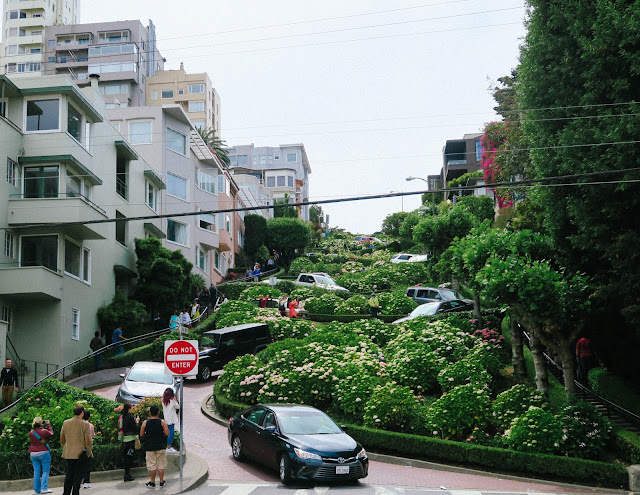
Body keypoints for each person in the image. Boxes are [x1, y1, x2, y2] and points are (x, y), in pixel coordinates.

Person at [60, 403, 92, 495]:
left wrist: (65, 446)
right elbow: (88, 440)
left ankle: (66, 493)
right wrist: (89, 451)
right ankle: (75, 493)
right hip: (80, 453)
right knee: (78, 477)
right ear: (82, 412)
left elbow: (62, 437)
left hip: (69, 453)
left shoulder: (66, 423)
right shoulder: (85, 424)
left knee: (69, 475)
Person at [140, 405, 169, 489]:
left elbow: (141, 434)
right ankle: (161, 481)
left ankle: (152, 482)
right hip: (160, 446)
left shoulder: (145, 422)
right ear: (158, 413)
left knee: (152, 465)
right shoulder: (162, 422)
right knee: (161, 464)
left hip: (149, 447)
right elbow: (167, 433)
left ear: (149, 413)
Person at [29, 416, 53, 494]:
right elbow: (51, 434)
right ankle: (44, 488)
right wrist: (48, 425)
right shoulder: (44, 431)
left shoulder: (31, 433)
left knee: (36, 471)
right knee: (45, 471)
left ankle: (37, 489)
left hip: (33, 453)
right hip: (43, 452)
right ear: (41, 423)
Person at [118, 402, 138, 482]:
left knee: (126, 457)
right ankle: (127, 474)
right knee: (129, 457)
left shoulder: (123, 417)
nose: (133, 409)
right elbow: (135, 428)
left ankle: (127, 474)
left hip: (124, 440)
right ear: (129, 409)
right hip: (130, 440)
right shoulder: (130, 418)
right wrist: (137, 422)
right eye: (132, 408)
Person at [161, 387, 179, 452]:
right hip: (171, 419)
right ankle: (168, 447)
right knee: (171, 433)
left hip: (166, 418)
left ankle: (168, 446)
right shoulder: (172, 401)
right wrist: (175, 400)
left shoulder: (163, 401)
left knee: (168, 432)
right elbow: (178, 407)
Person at [81, 410, 95, 489]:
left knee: (79, 465)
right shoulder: (90, 425)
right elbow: (92, 436)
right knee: (87, 465)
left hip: (78, 447)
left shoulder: (78, 425)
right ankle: (86, 481)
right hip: (87, 447)